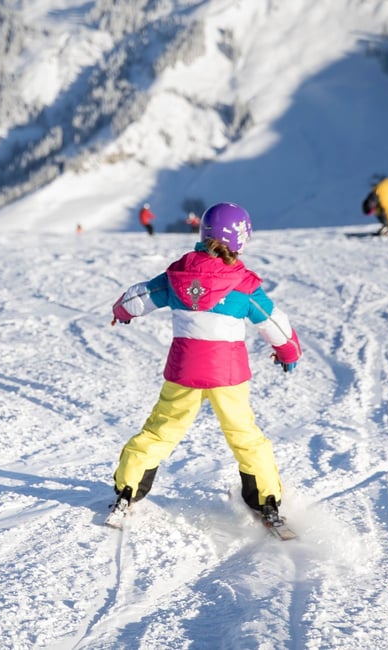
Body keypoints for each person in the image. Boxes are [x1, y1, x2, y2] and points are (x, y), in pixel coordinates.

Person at [108, 202, 301, 526]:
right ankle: (265, 500)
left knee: (160, 431)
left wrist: (122, 313)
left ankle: (128, 489)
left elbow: (136, 297)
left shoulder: (178, 276)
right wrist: (289, 353)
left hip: (184, 373)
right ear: (241, 240)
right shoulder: (243, 284)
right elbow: (274, 323)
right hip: (228, 377)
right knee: (244, 435)